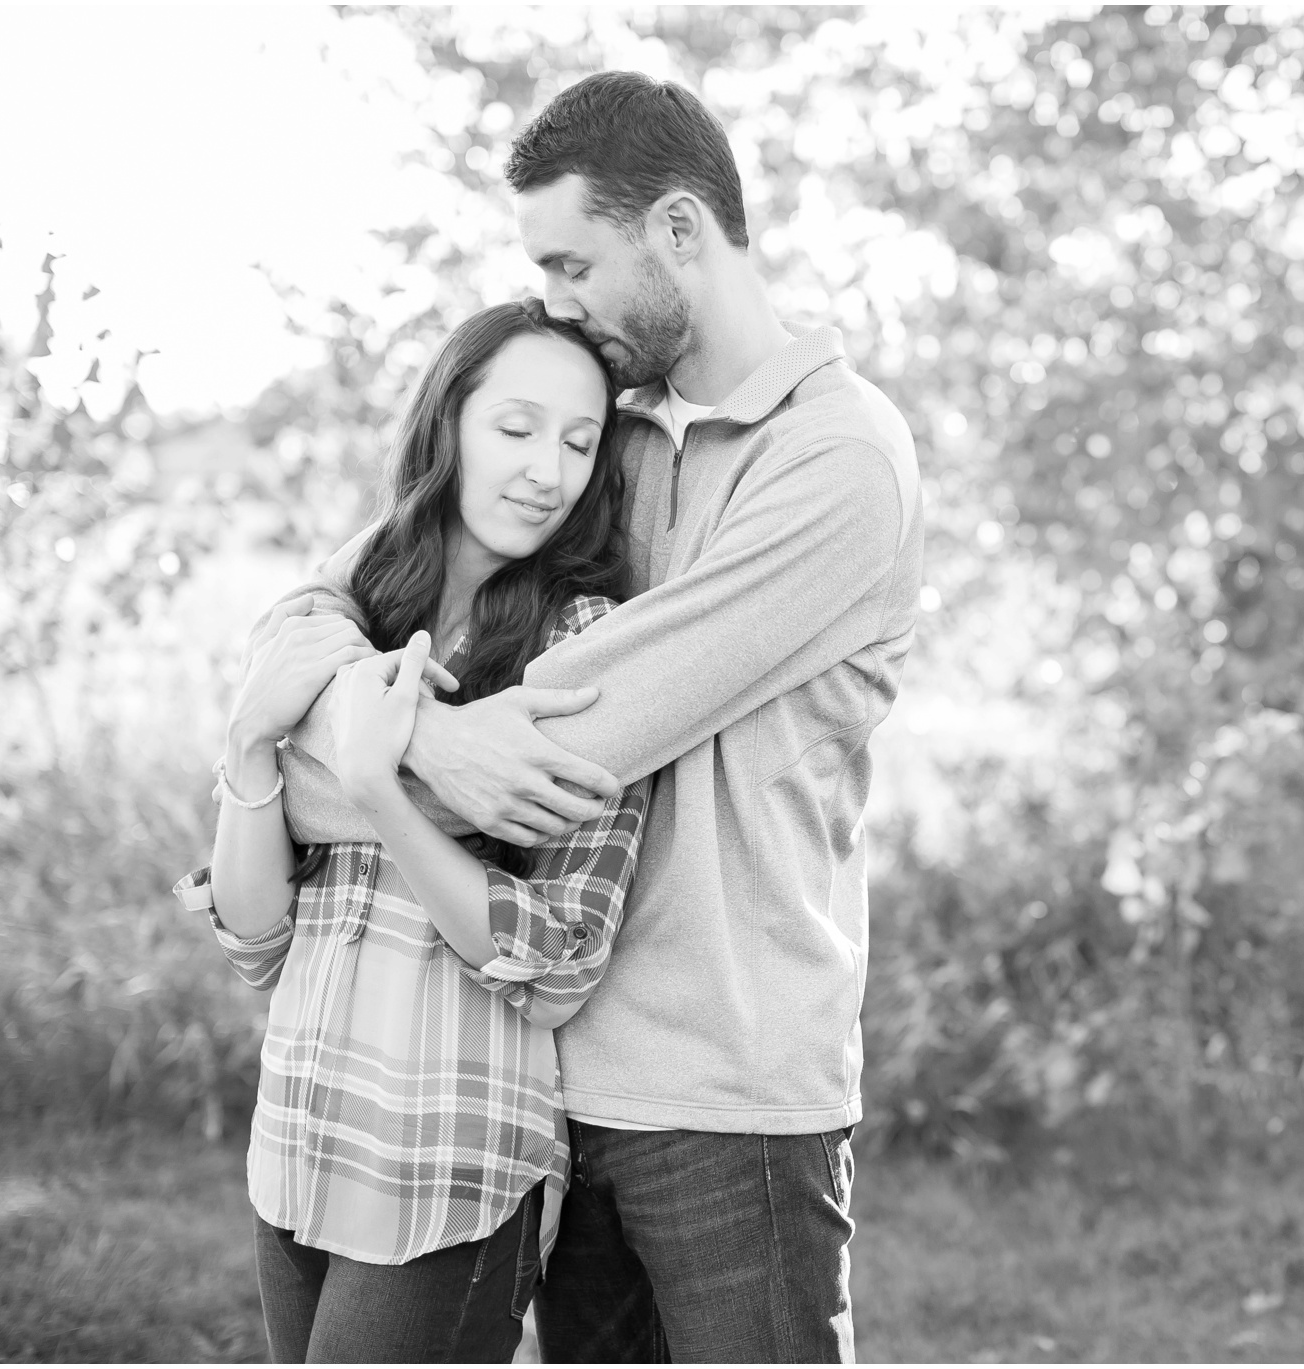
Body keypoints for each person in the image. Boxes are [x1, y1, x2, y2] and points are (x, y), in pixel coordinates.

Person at [262, 72, 923, 1361]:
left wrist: (311, 770)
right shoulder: (599, 436)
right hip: (550, 1068)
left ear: (678, 230)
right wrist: (388, 718)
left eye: (572, 262)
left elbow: (573, 736)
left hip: (730, 1096)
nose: (554, 301)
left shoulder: (834, 458)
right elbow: (316, 606)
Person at [174, 299, 652, 1362]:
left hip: (446, 1160)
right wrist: (253, 746)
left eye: (579, 444)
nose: (548, 469)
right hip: (299, 1134)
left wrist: (381, 792)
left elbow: (555, 959)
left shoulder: (586, 647)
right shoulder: (346, 627)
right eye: (517, 428)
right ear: (449, 422)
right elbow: (256, 938)